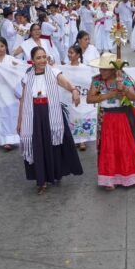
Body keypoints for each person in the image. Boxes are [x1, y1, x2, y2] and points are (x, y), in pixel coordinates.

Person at [87, 52, 135, 189]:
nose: (101, 71)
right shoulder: (96, 80)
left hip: (124, 116)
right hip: (106, 117)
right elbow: (89, 99)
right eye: (100, 68)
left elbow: (134, 97)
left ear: (113, 69)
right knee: (108, 149)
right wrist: (110, 94)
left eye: (104, 69)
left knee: (125, 147)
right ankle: (110, 179)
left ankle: (129, 176)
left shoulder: (124, 78)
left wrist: (124, 89)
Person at [18, 46, 83, 194]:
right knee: (38, 147)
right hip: (33, 114)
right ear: (32, 60)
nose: (42, 60)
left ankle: (55, 173)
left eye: (44, 57)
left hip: (51, 112)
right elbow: (23, 100)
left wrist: (74, 91)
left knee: (54, 144)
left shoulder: (53, 72)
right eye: (38, 58)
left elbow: (67, 83)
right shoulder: (27, 76)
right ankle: (41, 181)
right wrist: (20, 121)